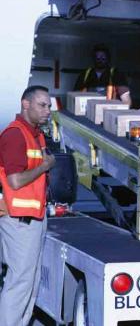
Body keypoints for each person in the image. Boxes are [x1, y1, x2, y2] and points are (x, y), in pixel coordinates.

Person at [0, 85, 55, 326]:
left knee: (30, 284)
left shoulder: (36, 134)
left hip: (34, 219)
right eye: (42, 105)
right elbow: (14, 181)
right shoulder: (14, 135)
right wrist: (44, 166)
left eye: (49, 106)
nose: (48, 111)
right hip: (19, 221)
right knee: (19, 283)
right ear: (26, 104)